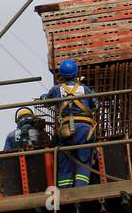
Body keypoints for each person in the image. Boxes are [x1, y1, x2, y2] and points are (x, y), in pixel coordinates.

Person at [42, 58, 98, 188]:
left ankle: (65, 190)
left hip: (66, 130)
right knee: (84, 160)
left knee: (65, 159)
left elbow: (47, 101)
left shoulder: (56, 89)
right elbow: (95, 106)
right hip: (84, 130)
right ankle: (80, 188)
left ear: (61, 75)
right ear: (76, 73)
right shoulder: (85, 89)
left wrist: (44, 97)